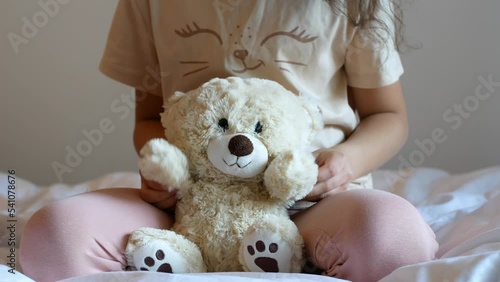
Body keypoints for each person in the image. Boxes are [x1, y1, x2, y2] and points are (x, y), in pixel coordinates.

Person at [19, 1, 438, 281]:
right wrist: (164, 170)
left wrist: (345, 161)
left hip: (310, 206)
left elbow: (388, 116)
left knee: (396, 240)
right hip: (191, 207)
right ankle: (187, 255)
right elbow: (150, 118)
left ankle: (280, 252)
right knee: (51, 238)